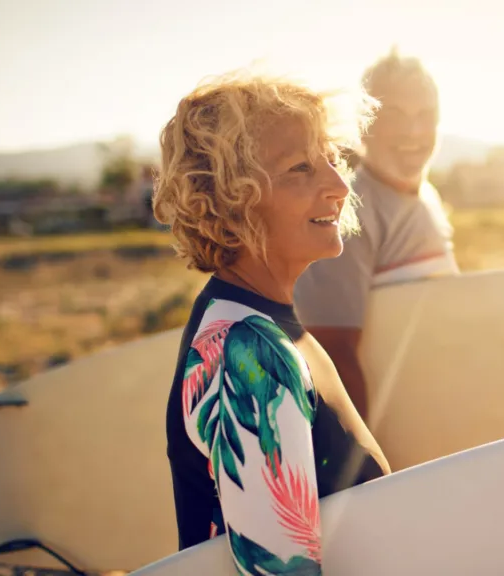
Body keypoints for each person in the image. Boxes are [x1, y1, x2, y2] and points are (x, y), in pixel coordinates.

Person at [153, 68, 391, 574]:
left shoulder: (263, 324)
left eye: (331, 158)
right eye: (300, 168)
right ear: (231, 200)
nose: (337, 184)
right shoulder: (250, 352)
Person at [293, 48, 460, 421]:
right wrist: (368, 472)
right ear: (363, 122)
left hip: (441, 423)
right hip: (395, 446)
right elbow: (330, 355)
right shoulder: (347, 211)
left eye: (425, 116)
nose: (413, 132)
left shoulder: (426, 196)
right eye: (394, 115)